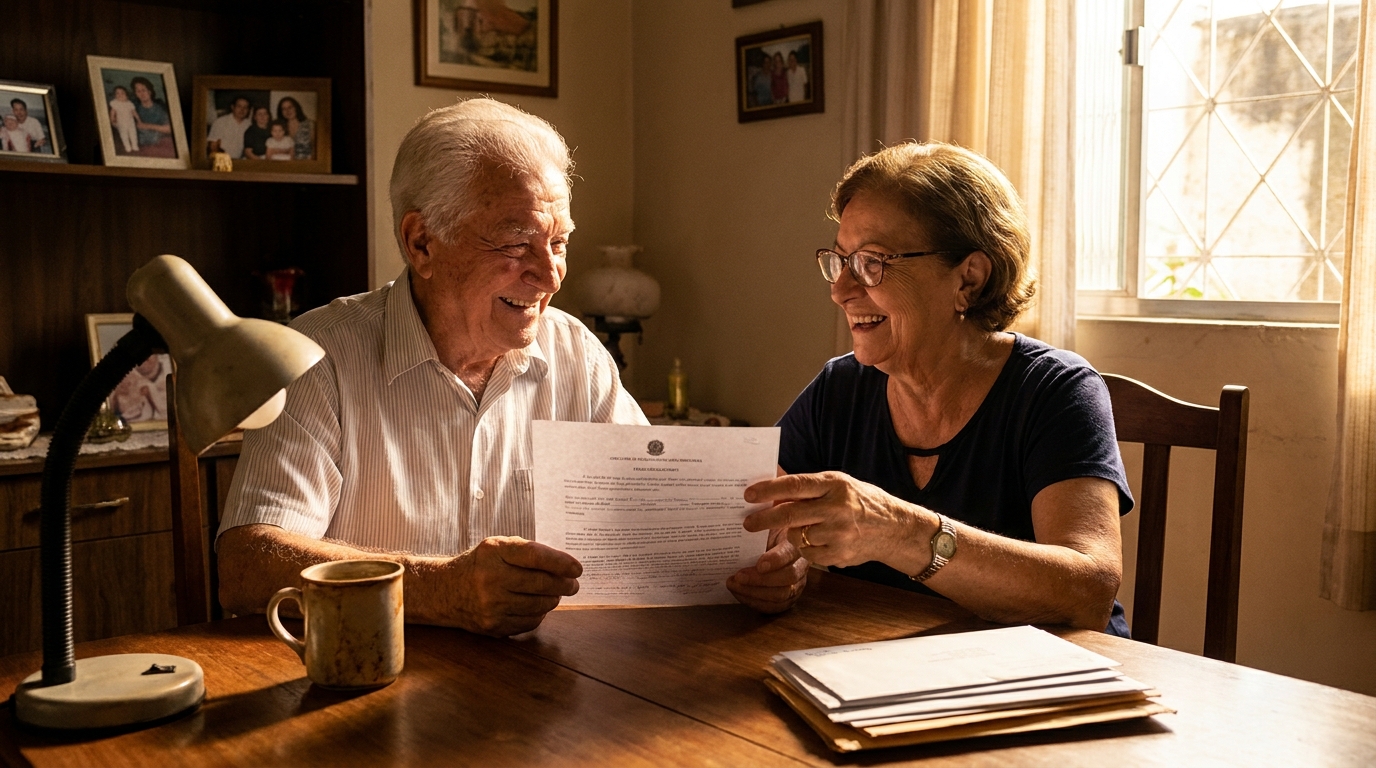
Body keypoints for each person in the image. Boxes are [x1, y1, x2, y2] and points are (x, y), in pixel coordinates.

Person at [217, 99, 801, 637]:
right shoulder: (319, 356)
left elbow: (655, 517)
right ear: (421, 243)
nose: (549, 276)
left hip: (551, 684)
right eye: (516, 243)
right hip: (372, 679)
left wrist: (768, 560)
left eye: (559, 243)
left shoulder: (578, 357)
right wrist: (440, 588)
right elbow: (246, 565)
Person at [742, 142, 1134, 635]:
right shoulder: (839, 389)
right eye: (840, 261)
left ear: (968, 279)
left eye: (871, 262)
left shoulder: (1056, 389)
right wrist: (781, 564)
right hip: (883, 661)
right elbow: (756, 519)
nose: (840, 291)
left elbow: (1089, 592)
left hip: (1044, 673)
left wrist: (896, 530)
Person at [130, 76, 173, 154]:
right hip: (139, 146)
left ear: (149, 91)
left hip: (158, 146)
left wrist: (146, 126)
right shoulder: (134, 107)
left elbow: (169, 128)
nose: (141, 94)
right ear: (135, 94)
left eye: (144, 90)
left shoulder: (160, 108)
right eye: (138, 91)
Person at [108, 85, 139, 154]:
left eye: (122, 93)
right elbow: (112, 112)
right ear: (115, 95)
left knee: (133, 134)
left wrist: (138, 119)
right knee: (124, 135)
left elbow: (134, 112)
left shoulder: (129, 103)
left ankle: (135, 145)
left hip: (130, 122)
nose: (120, 95)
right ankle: (127, 146)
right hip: (121, 123)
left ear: (126, 95)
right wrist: (112, 120)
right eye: (117, 93)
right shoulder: (115, 103)